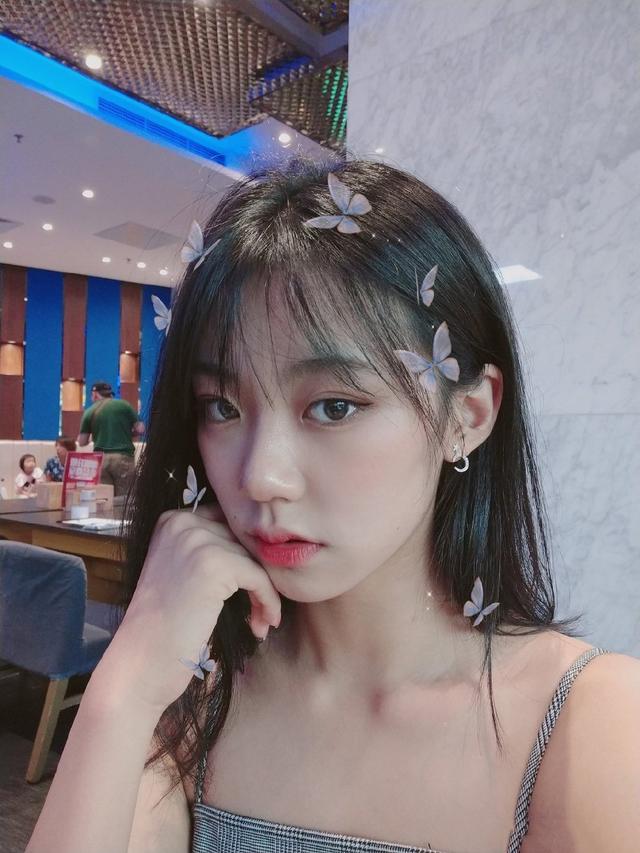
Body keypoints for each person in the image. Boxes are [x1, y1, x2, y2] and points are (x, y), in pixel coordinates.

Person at [27, 161, 640, 853]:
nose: (261, 476)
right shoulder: (197, 690)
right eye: (221, 407)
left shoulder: (591, 722)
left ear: (467, 415)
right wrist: (123, 689)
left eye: (335, 406)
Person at [76, 381, 145, 497]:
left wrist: (94, 436)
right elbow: (141, 429)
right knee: (124, 498)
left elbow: (82, 442)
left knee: (105, 498)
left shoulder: (89, 412)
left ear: (95, 394)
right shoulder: (124, 405)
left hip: (101, 460)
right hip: (123, 458)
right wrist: (127, 433)